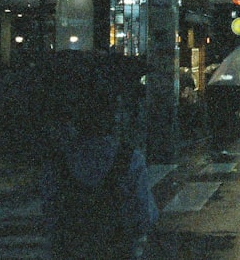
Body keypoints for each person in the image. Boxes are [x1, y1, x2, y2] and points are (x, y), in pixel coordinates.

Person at [41, 77, 158, 259]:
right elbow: (144, 217)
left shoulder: (59, 161)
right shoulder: (130, 160)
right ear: (111, 117)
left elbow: (49, 214)